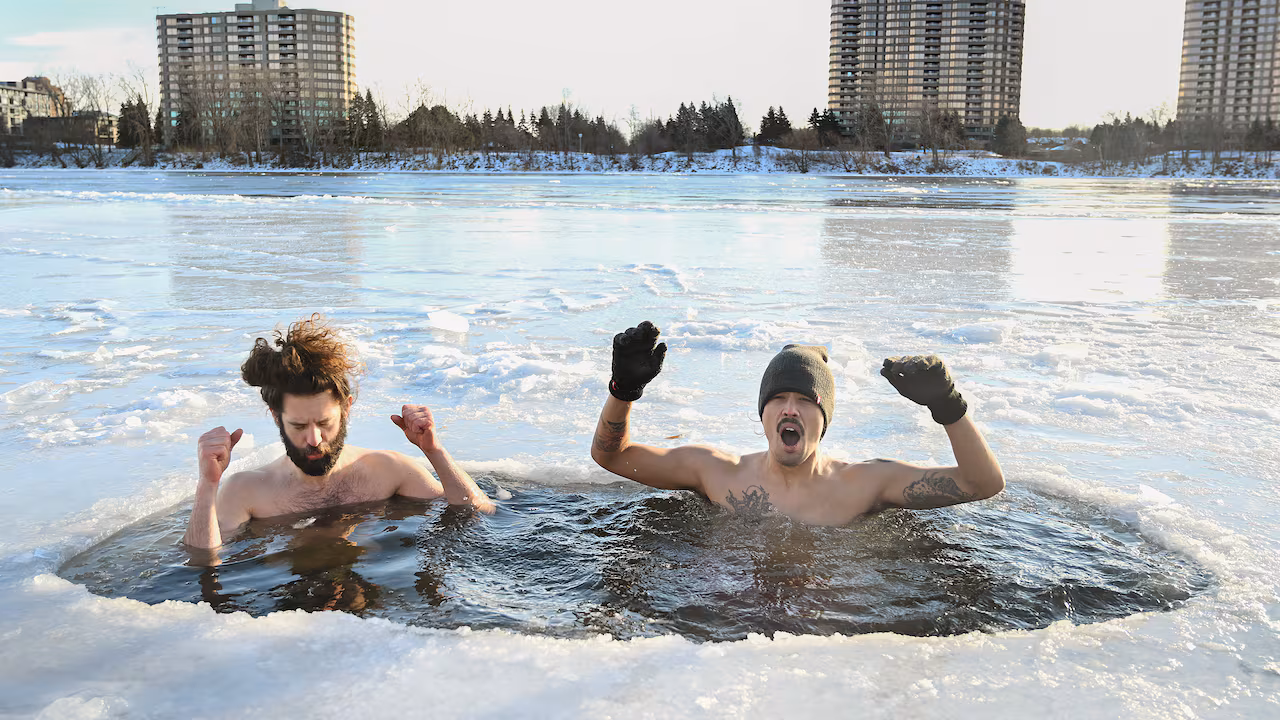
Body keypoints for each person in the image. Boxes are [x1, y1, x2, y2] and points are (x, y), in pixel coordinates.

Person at [590, 321, 1004, 526]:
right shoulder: (715, 472)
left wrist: (949, 408)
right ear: (763, 414)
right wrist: (623, 391)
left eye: (806, 400)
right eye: (779, 399)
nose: (790, 409)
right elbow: (612, 456)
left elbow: (981, 484)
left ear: (823, 420)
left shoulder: (865, 484)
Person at [183, 314, 494, 550]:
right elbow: (202, 560)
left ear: (346, 408)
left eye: (324, 423)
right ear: (276, 417)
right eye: (299, 426)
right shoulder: (247, 490)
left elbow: (475, 511)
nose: (314, 439)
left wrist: (433, 450)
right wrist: (207, 485)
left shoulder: (388, 469)